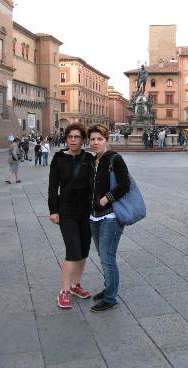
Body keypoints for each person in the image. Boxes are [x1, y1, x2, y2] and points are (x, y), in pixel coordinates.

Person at [48, 123, 94, 309]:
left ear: (83, 140)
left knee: (83, 251)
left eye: (76, 137)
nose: (73, 140)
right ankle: (64, 291)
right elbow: (53, 187)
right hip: (66, 211)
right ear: (66, 139)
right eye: (70, 137)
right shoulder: (59, 158)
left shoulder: (89, 158)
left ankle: (76, 285)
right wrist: (53, 210)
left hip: (86, 211)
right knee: (73, 251)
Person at [87, 124, 130, 312]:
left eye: (99, 139)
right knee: (103, 256)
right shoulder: (91, 161)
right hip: (94, 217)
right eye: (93, 139)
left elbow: (125, 185)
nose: (96, 142)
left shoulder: (115, 159)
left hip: (111, 217)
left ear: (107, 140)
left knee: (108, 257)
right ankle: (108, 288)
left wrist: (105, 199)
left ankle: (111, 298)